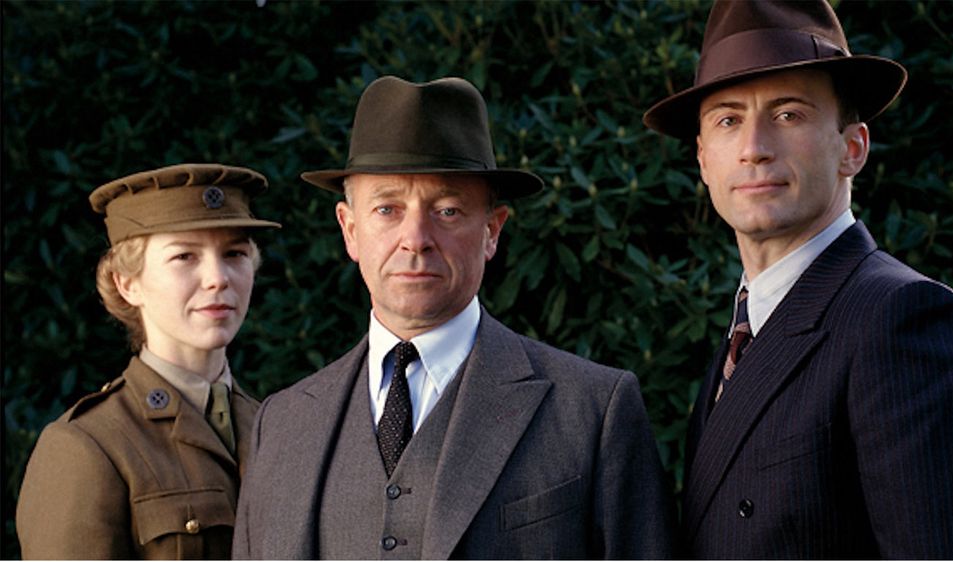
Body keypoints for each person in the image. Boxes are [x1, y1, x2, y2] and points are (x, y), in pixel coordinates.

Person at [232, 76, 675, 559]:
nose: (415, 237)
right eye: (387, 208)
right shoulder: (280, 424)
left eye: (446, 210)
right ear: (350, 229)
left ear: (491, 230)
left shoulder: (594, 410)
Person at [642, 0, 953, 558]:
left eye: (789, 114)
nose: (755, 148)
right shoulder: (744, 336)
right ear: (705, 160)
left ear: (852, 148)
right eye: (729, 120)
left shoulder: (906, 322)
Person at [16, 163, 281, 559]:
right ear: (128, 283)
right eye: (185, 256)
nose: (217, 278)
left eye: (235, 253)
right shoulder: (89, 446)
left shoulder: (277, 428)